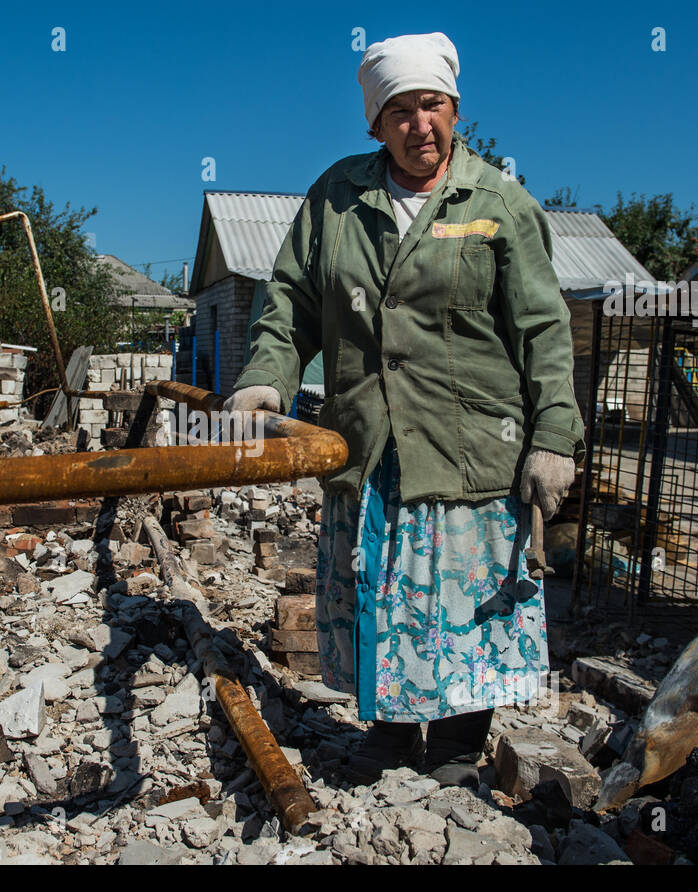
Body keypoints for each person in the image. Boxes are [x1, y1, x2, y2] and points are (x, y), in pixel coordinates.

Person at [223, 32, 584, 789]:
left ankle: (456, 742)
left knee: (467, 600)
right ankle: (388, 734)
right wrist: (266, 374)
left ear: (456, 110)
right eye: (400, 111)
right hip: (369, 438)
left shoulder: (497, 203)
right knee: (378, 586)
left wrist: (554, 433)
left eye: (433, 106)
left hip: (472, 443)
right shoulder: (336, 198)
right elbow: (287, 300)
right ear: (374, 124)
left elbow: (545, 328)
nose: (420, 125)